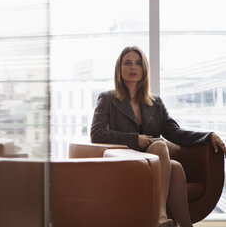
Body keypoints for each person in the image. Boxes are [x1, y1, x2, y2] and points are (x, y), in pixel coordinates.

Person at [90, 46, 226, 227]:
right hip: (125, 163)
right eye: (127, 63)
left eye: (138, 63)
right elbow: (96, 133)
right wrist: (134, 139)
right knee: (161, 146)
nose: (133, 68)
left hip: (154, 164)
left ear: (144, 69)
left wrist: (209, 136)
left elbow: (175, 132)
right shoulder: (107, 99)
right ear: (119, 68)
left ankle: (183, 224)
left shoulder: (155, 102)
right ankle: (160, 214)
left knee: (176, 168)